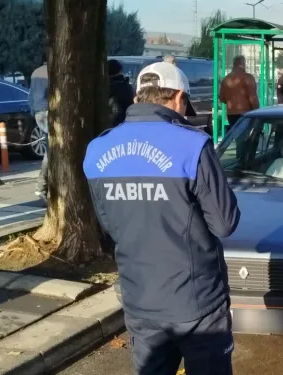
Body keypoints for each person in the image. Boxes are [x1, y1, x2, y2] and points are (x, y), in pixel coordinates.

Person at [83, 61, 240, 375]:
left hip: (140, 298)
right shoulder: (191, 145)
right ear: (179, 98)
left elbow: (108, 224)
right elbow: (225, 222)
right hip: (196, 303)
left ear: (139, 96)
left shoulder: (97, 150)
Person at [218, 55, 259, 132]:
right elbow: (253, 98)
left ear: (234, 64)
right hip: (246, 113)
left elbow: (222, 98)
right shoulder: (248, 77)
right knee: (245, 137)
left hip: (231, 114)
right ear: (243, 64)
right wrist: (257, 113)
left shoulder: (226, 79)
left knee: (237, 136)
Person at [28, 62, 49, 203]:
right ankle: (42, 185)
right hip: (48, 111)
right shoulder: (55, 72)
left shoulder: (36, 72)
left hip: (38, 112)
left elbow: (30, 96)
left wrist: (33, 112)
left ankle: (43, 187)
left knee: (50, 147)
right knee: (52, 150)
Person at [107, 59, 135, 127]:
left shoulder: (110, 87)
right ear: (120, 71)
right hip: (125, 123)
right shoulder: (126, 86)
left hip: (113, 125)